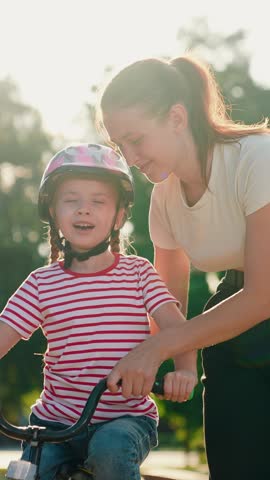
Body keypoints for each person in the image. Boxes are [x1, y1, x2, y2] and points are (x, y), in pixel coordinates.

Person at [98, 55, 270, 479]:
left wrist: (158, 349)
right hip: (238, 315)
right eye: (121, 145)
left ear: (176, 116)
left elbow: (264, 294)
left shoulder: (257, 158)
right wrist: (169, 364)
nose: (130, 157)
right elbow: (166, 305)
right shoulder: (166, 200)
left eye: (136, 139)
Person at [0, 143, 197, 480]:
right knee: (32, 472)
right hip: (54, 422)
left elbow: (178, 329)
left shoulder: (138, 273)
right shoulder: (41, 283)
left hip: (125, 419)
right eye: (71, 200)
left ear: (119, 216)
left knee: (111, 450)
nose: (83, 211)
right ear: (52, 211)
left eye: (98, 202)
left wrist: (185, 372)